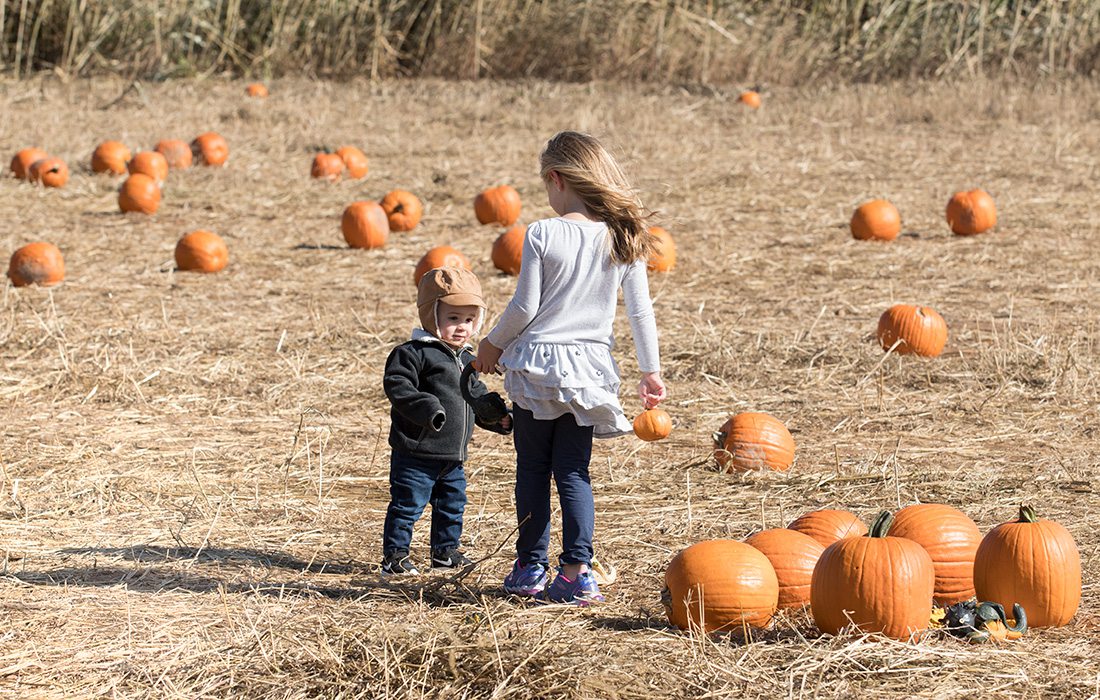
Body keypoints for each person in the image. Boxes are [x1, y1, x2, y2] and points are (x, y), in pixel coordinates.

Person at [473, 130, 667, 604]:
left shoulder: (542, 232)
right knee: (575, 473)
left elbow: (524, 307)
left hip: (538, 368)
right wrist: (650, 371)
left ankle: (529, 566)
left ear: (556, 179)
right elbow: (641, 312)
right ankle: (578, 572)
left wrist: (492, 346)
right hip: (588, 374)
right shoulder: (623, 237)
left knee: (533, 471)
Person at [381, 267, 512, 575]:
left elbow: (475, 395)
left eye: (469, 320)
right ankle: (395, 557)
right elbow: (398, 386)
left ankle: (445, 553)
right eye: (453, 318)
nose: (462, 327)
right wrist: (427, 408)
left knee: (452, 506)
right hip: (416, 453)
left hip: (453, 457)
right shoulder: (413, 354)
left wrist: (496, 418)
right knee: (407, 506)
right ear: (432, 315)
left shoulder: (467, 359)